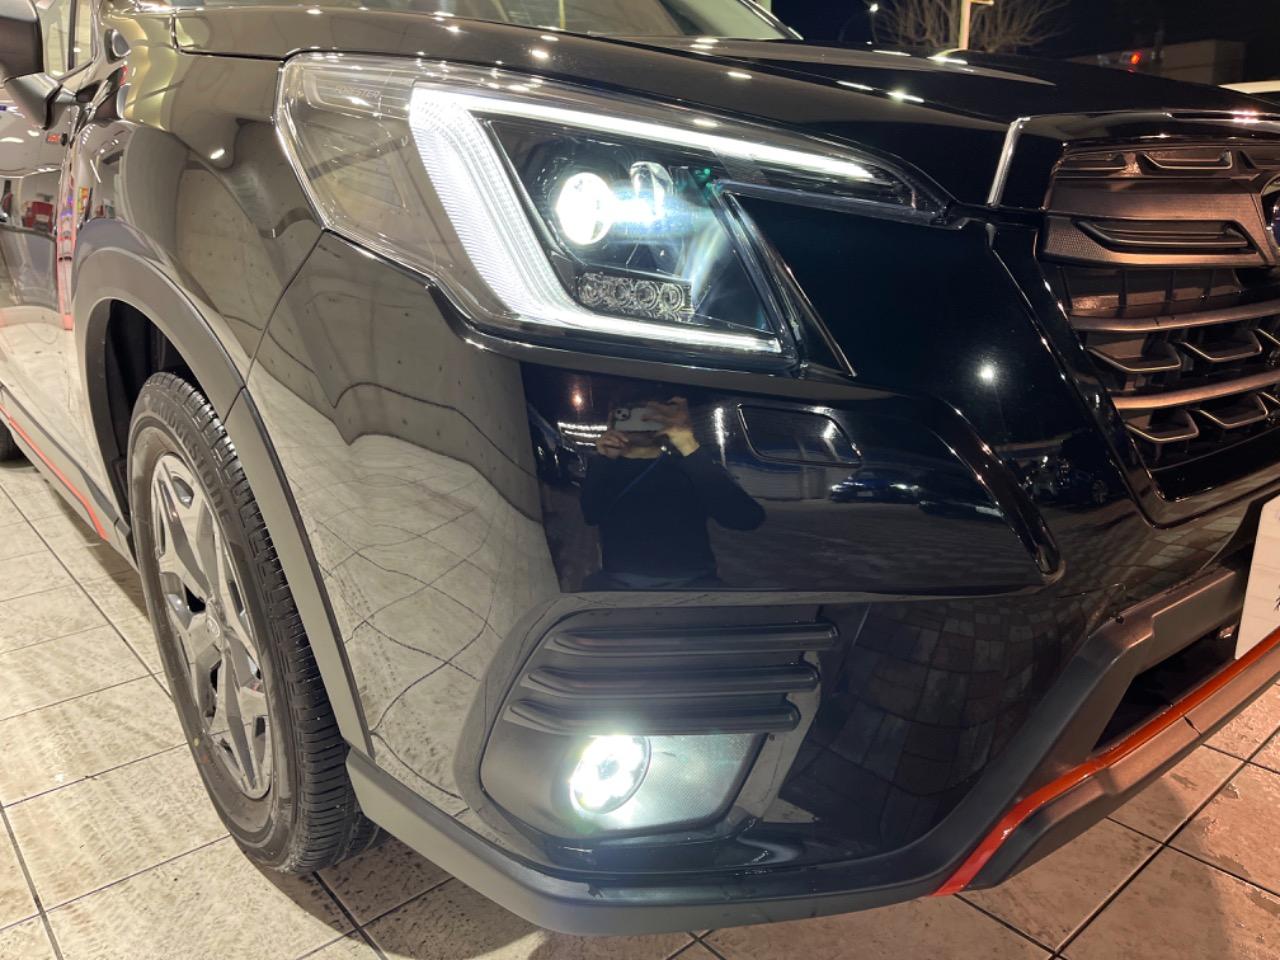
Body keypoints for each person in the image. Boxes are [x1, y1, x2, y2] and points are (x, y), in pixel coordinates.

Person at [581, 396, 765, 588]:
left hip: (694, 583)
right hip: (620, 583)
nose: (641, 420)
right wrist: (603, 461)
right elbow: (591, 516)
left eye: (649, 414)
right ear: (613, 419)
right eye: (630, 413)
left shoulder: (690, 464)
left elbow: (746, 519)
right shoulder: (606, 467)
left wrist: (688, 444)